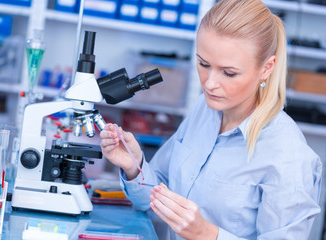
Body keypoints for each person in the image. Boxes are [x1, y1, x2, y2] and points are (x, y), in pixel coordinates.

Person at [100, 0, 322, 239]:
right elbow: (157, 196)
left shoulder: (288, 155)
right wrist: (134, 166)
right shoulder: (204, 110)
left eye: (229, 73)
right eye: (203, 64)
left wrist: (207, 234)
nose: (209, 83)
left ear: (266, 68)